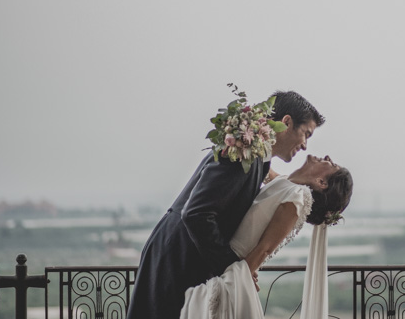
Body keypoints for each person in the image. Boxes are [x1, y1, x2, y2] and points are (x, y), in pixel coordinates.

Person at [126, 91, 325, 319]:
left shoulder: (260, 158)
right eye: (305, 134)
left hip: (187, 254)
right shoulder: (242, 153)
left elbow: (274, 182)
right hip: (177, 256)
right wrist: (232, 268)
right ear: (287, 122)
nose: (305, 146)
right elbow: (196, 214)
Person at [180, 154, 353, 319]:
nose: (328, 158)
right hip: (217, 257)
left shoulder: (297, 197)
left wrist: (234, 281)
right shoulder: (286, 182)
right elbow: (262, 159)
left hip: (228, 267)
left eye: (333, 165)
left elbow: (264, 249)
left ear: (321, 182)